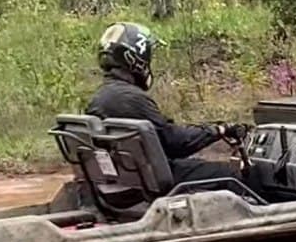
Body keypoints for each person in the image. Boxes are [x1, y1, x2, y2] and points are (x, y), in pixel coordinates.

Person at [85, 22, 250, 185]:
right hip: (155, 180)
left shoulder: (100, 97)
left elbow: (164, 135)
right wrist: (218, 130)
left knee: (198, 165)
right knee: (231, 175)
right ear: (136, 57)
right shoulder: (132, 99)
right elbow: (176, 143)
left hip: (131, 177)